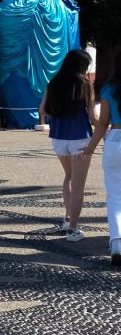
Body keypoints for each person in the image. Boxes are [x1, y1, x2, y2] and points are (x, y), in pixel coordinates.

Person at [38, 49, 98, 242]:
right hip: (80, 138)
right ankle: (72, 229)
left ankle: (67, 218)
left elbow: (43, 110)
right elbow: (92, 116)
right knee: (79, 185)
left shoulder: (53, 83)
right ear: (82, 66)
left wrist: (60, 116)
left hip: (59, 139)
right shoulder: (85, 84)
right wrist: (106, 128)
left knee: (69, 177)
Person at [83, 51, 121, 261]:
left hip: (115, 139)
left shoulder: (109, 90)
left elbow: (102, 124)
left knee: (115, 196)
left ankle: (117, 245)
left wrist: (90, 147)